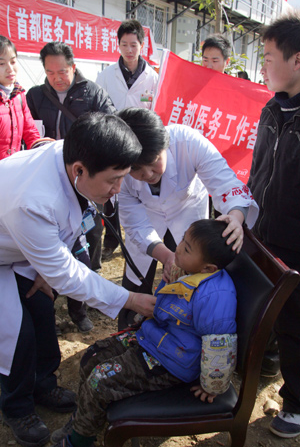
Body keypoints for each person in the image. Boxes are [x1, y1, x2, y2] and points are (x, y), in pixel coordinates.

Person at [0, 112, 156, 447]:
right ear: (79, 170)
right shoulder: (33, 200)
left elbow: (63, 233)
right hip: (5, 250)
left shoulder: (73, 156)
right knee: (16, 334)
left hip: (23, 246)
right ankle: (16, 407)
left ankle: (43, 384)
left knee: (41, 312)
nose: (116, 191)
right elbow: (65, 271)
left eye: (123, 179)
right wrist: (129, 298)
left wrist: (46, 268)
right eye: (113, 181)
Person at [50, 218, 237, 447]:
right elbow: (165, 306)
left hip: (172, 362)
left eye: (186, 248)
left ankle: (79, 440)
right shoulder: (187, 270)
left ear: (208, 268)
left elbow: (219, 344)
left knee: (99, 381)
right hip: (154, 339)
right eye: (182, 240)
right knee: (91, 357)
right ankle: (83, 420)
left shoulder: (215, 296)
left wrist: (212, 385)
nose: (178, 248)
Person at [115, 108, 258, 315]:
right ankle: (130, 331)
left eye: (153, 161)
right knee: (137, 282)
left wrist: (236, 217)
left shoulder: (188, 142)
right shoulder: (119, 164)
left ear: (166, 144)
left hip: (186, 215)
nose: (147, 174)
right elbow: (134, 223)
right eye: (135, 169)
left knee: (189, 282)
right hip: (147, 218)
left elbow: (225, 182)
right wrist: (166, 257)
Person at [26, 41, 117, 332]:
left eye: (62, 71)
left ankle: (79, 309)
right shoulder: (35, 96)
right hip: (49, 183)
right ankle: (46, 304)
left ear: (73, 67)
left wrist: (64, 146)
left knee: (87, 241)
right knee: (48, 241)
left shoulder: (93, 93)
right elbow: (29, 134)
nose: (57, 77)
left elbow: (109, 129)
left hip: (88, 181)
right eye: (50, 72)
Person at [247, 12, 300, 439]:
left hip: (296, 246)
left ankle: (297, 405)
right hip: (262, 236)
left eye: (268, 56)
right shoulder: (271, 108)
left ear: (297, 60)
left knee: (296, 326)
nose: (262, 64)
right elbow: (259, 170)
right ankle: (262, 369)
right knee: (265, 315)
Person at [96, 19, 159, 261]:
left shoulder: (152, 78)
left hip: (141, 144)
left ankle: (142, 236)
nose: (129, 50)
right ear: (118, 45)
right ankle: (112, 240)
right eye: (124, 44)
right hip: (114, 141)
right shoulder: (105, 76)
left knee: (139, 189)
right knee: (112, 192)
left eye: (134, 44)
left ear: (142, 45)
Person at [0, 36, 42, 159]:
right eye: (1, 63)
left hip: (13, 169)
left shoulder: (18, 95)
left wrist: (41, 150)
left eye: (13, 62)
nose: (10, 69)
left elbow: (30, 131)